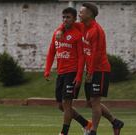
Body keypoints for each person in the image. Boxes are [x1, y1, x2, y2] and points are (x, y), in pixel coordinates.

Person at [56, 3, 124, 135]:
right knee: (90, 102)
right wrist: (59, 30)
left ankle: (93, 131)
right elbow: (66, 24)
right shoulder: (82, 26)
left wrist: (91, 72)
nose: (79, 14)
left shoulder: (96, 30)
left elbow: (95, 54)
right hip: (91, 70)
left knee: (95, 101)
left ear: (89, 14)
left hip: (100, 69)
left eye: (81, 12)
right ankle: (115, 122)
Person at [44, 7, 92, 135]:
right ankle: (86, 124)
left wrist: (78, 76)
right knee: (61, 106)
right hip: (60, 73)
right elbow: (51, 52)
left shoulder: (77, 35)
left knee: (66, 103)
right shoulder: (57, 33)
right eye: (63, 17)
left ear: (74, 19)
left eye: (68, 17)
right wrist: (47, 70)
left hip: (72, 73)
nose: (65, 20)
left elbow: (81, 57)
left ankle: (64, 132)